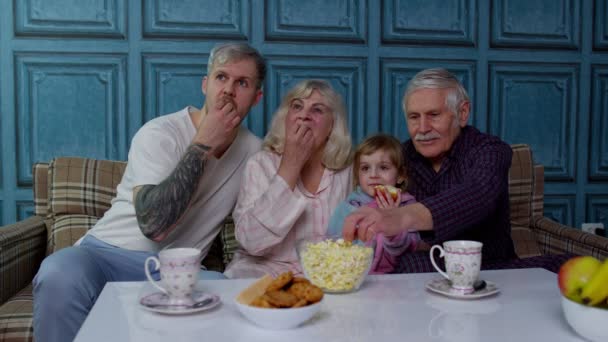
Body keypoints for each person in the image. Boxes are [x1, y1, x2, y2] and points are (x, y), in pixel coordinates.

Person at [33, 42, 266, 342]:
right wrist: (202, 145)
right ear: (205, 84)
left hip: (175, 272)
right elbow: (153, 225)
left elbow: (264, 225)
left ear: (257, 97)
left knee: (222, 290)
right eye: (221, 77)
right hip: (104, 254)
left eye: (242, 83)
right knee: (58, 273)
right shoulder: (160, 133)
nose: (229, 90)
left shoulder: (255, 154)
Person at [342, 68, 518, 273]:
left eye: (434, 115)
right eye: (414, 117)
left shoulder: (490, 150)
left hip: (491, 268)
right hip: (428, 265)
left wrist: (402, 217)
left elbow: (479, 192)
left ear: (462, 113)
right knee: (408, 264)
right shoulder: (400, 158)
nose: (423, 128)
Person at [224, 79, 353, 278]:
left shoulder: (348, 170)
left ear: (333, 125)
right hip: (262, 273)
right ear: (286, 118)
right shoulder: (260, 165)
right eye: (297, 106)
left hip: (328, 275)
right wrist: (290, 166)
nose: (304, 116)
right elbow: (251, 242)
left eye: (317, 110)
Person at [327, 134, 420, 274]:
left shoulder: (408, 206)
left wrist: (393, 222)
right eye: (365, 168)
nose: (373, 174)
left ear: (401, 175)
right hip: (354, 278)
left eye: (383, 167)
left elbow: (411, 246)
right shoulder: (349, 206)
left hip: (395, 279)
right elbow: (331, 244)